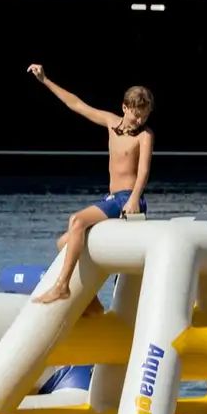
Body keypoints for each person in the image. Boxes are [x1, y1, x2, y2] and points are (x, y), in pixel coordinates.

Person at [26, 65, 154, 302]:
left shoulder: (145, 136)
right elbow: (76, 104)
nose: (140, 120)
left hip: (128, 200)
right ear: (124, 108)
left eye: (144, 116)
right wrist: (45, 80)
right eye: (136, 115)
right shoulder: (111, 123)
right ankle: (91, 301)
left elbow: (144, 171)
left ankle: (62, 286)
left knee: (76, 220)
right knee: (63, 242)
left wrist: (135, 198)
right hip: (112, 199)